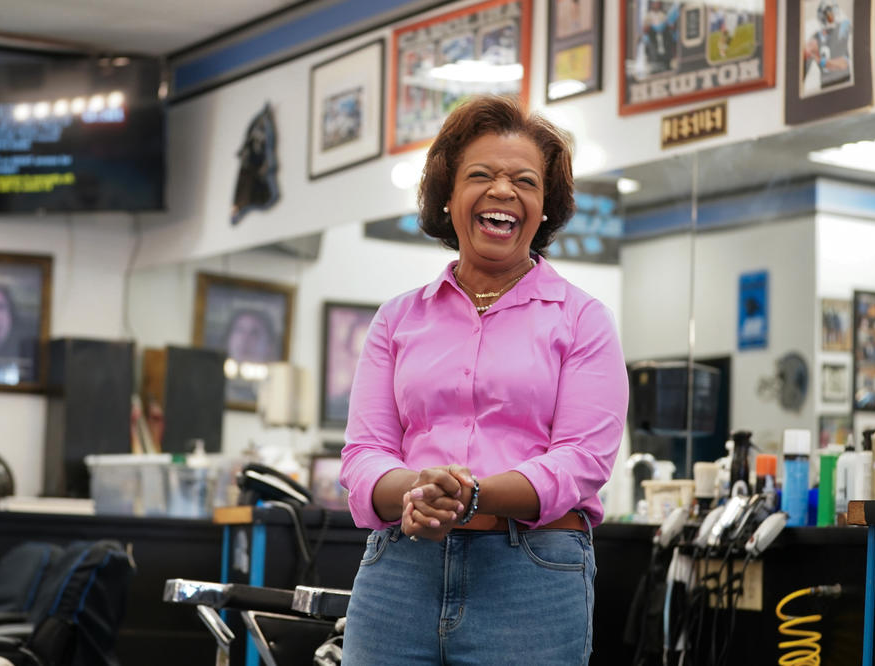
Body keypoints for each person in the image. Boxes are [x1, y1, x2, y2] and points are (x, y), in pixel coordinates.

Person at [339, 96, 628, 664]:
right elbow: (364, 454)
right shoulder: (398, 318)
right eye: (481, 175)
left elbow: (582, 460)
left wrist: (472, 496)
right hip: (400, 572)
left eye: (525, 181)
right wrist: (418, 491)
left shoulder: (582, 318)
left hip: (532, 577)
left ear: (544, 208)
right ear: (448, 198)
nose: (503, 191)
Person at [223, 306, 279, 403]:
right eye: (239, 330)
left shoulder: (276, 392)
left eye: (254, 333)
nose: (245, 339)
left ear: (269, 346)